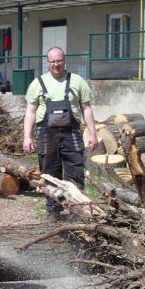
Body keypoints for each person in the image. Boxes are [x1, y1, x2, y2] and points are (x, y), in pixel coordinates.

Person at [23, 46, 98, 223]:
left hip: (71, 132)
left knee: (75, 171)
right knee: (50, 173)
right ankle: (53, 211)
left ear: (65, 60)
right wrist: (27, 136)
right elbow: (30, 111)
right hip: (45, 133)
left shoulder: (77, 81)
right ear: (47, 62)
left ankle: (76, 211)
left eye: (59, 60)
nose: (56, 64)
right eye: (52, 61)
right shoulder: (38, 83)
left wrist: (93, 134)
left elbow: (86, 108)